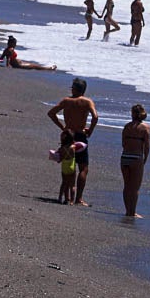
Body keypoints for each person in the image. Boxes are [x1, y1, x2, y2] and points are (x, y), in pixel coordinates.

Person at [47, 77, 98, 206]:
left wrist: (63, 127)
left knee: (69, 167)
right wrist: (90, 131)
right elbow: (95, 117)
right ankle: (78, 198)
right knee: (83, 168)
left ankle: (67, 197)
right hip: (80, 135)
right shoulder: (86, 102)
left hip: (68, 136)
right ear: (84, 90)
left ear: (74, 88)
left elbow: (51, 113)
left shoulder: (66, 101)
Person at [120, 104, 150, 218]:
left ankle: (127, 210)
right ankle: (132, 212)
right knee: (135, 187)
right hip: (136, 157)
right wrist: (145, 158)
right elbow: (147, 146)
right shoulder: (145, 128)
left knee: (127, 186)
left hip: (125, 157)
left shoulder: (127, 126)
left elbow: (123, 143)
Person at [54, 129, 80, 205]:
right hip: (72, 166)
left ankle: (61, 198)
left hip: (64, 166)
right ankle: (72, 201)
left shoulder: (62, 149)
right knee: (72, 185)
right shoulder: (73, 147)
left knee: (64, 183)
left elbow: (60, 159)